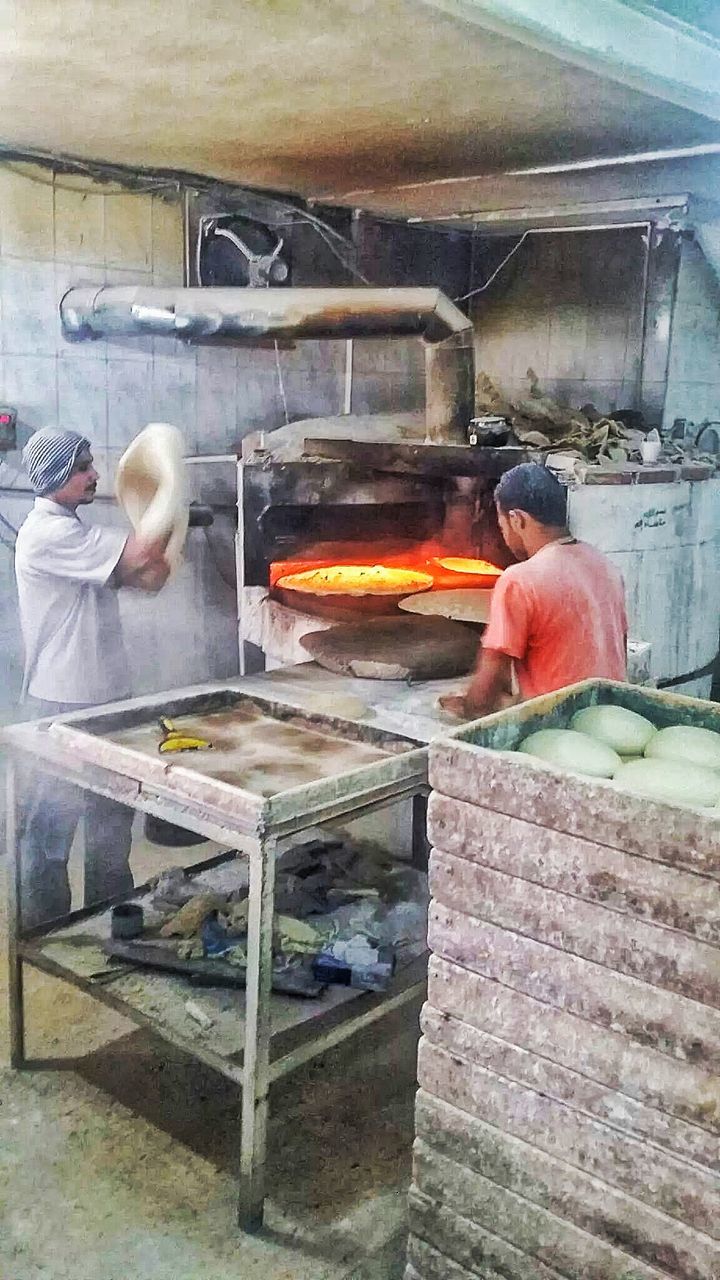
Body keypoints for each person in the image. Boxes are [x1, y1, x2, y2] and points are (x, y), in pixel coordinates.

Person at [14, 427, 171, 927]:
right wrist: (170, 490)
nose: (94, 475)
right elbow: (145, 557)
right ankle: (45, 929)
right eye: (82, 467)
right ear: (57, 475)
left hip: (107, 699)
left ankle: (111, 921)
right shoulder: (48, 533)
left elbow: (152, 577)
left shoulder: (75, 533)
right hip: (62, 702)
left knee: (110, 822)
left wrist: (164, 526)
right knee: (51, 827)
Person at [440, 462, 627, 720]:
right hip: (611, 717)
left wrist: (465, 710)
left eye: (502, 525)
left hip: (558, 729)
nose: (504, 535)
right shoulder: (604, 566)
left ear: (518, 519)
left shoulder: (520, 579)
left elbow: (484, 694)